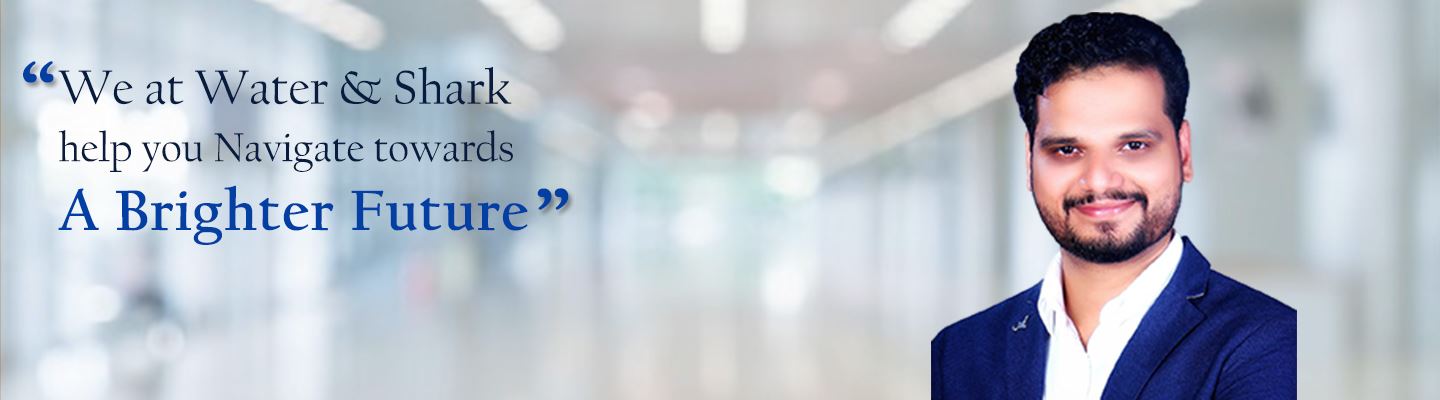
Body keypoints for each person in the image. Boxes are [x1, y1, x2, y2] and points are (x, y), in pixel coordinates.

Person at [931, 12, 1296, 400]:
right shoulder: (957, 352)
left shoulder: (1270, 344)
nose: (1100, 180)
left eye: (1134, 146)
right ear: (1029, 160)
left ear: (1184, 152)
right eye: (1067, 150)